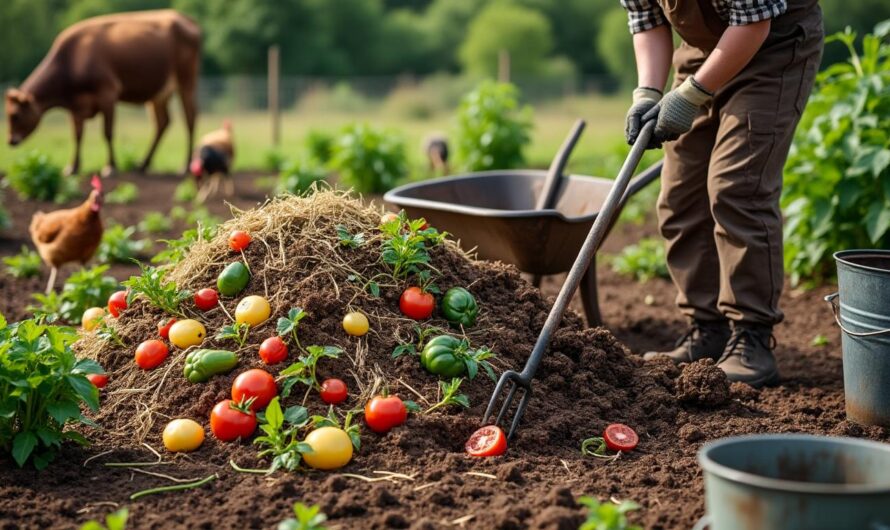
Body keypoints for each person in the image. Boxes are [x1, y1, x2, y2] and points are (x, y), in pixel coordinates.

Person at [620, 0, 823, 387]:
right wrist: (647, 92)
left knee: (737, 187)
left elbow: (753, 25)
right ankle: (706, 329)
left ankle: (752, 338)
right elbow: (646, 20)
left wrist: (689, 96)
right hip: (700, 52)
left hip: (773, 49)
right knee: (681, 193)